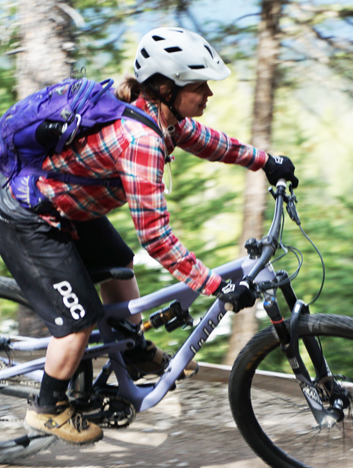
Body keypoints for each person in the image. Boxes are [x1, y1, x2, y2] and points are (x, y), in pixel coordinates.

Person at [0, 27, 298, 445]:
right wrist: (215, 285)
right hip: (29, 214)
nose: (208, 94)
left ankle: (131, 348)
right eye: (200, 86)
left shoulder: (157, 114)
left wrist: (264, 160)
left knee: (119, 264)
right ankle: (47, 408)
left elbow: (207, 140)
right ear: (166, 87)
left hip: (67, 206)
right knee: (78, 322)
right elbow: (156, 238)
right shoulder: (140, 139)